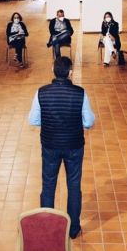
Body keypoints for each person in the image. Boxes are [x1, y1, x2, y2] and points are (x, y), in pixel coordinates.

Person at [28, 56, 95, 239]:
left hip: (50, 145)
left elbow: (33, 120)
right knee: (73, 186)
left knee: (48, 185)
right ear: (70, 73)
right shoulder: (80, 93)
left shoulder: (41, 92)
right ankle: (73, 229)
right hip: (74, 146)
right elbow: (88, 122)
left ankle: (47, 227)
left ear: (53, 70)